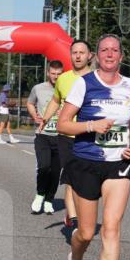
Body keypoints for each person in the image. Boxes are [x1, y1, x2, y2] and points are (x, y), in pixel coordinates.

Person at [57, 34, 130, 260]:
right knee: (86, 233)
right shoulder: (84, 84)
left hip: (119, 164)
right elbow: (63, 123)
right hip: (86, 162)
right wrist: (92, 124)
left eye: (114, 50)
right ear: (97, 55)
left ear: (121, 55)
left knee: (111, 228)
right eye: (104, 50)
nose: (109, 54)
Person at [40, 40, 93, 229]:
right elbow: (55, 101)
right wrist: (45, 118)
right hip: (66, 137)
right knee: (71, 175)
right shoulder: (63, 79)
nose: (78, 56)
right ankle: (74, 217)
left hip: (88, 137)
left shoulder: (96, 78)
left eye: (81, 52)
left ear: (90, 56)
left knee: (85, 179)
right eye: (74, 52)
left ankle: (80, 213)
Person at [27, 60, 65, 214]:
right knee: (44, 167)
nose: (56, 76)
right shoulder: (38, 88)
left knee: (56, 172)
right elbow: (30, 103)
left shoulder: (68, 89)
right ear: (48, 73)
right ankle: (40, 194)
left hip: (61, 136)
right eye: (53, 73)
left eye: (59, 74)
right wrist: (35, 115)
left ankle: (49, 200)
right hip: (43, 135)